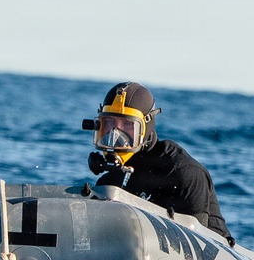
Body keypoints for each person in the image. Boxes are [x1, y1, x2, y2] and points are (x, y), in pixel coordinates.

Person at [84, 82, 233, 243]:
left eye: (127, 126)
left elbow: (199, 246)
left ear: (144, 129)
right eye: (110, 124)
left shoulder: (184, 173)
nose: (115, 136)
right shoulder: (110, 182)